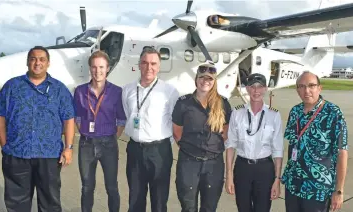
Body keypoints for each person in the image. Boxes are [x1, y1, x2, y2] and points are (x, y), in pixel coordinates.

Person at [0, 46, 75, 212]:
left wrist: (68, 147)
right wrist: (5, 145)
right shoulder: (12, 86)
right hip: (16, 154)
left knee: (50, 203)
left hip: (49, 156)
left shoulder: (59, 89)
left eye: (42, 59)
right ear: (27, 62)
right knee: (16, 204)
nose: (37, 63)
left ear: (48, 63)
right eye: (33, 59)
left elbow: (68, 118)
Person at [121, 47, 179, 212]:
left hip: (159, 151)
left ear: (159, 66)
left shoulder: (169, 91)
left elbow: (175, 120)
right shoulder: (128, 90)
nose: (149, 67)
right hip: (135, 150)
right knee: (135, 198)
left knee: (159, 200)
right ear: (139, 65)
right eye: (145, 63)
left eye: (153, 63)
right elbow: (128, 114)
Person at [281, 71, 349, 212]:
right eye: (302, 86)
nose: (307, 91)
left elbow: (342, 152)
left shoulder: (333, 113)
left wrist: (339, 191)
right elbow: (292, 145)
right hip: (293, 185)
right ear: (297, 89)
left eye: (311, 86)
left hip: (318, 190)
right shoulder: (295, 112)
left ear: (319, 88)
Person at [172, 62, 232, 212]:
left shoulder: (223, 104)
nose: (205, 81)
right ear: (196, 79)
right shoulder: (183, 102)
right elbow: (177, 132)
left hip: (214, 164)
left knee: (209, 207)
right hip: (189, 162)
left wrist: (210, 146)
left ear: (214, 82)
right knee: (188, 207)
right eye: (202, 77)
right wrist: (194, 147)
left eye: (210, 79)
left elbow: (226, 131)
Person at [74, 50, 126, 212]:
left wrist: (111, 137)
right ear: (90, 68)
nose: (98, 71)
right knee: (87, 187)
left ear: (108, 68)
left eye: (101, 67)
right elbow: (77, 117)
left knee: (112, 186)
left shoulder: (117, 92)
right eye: (94, 67)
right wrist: (87, 134)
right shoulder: (80, 91)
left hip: (108, 144)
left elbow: (121, 119)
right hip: (86, 145)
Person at [225, 73, 284, 212]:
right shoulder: (237, 113)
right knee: (243, 208)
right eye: (252, 87)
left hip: (264, 169)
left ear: (265, 89)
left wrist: (277, 179)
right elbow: (231, 145)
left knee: (263, 209)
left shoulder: (273, 115)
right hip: (242, 168)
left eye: (260, 87)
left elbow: (278, 150)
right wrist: (229, 175)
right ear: (247, 88)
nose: (256, 91)